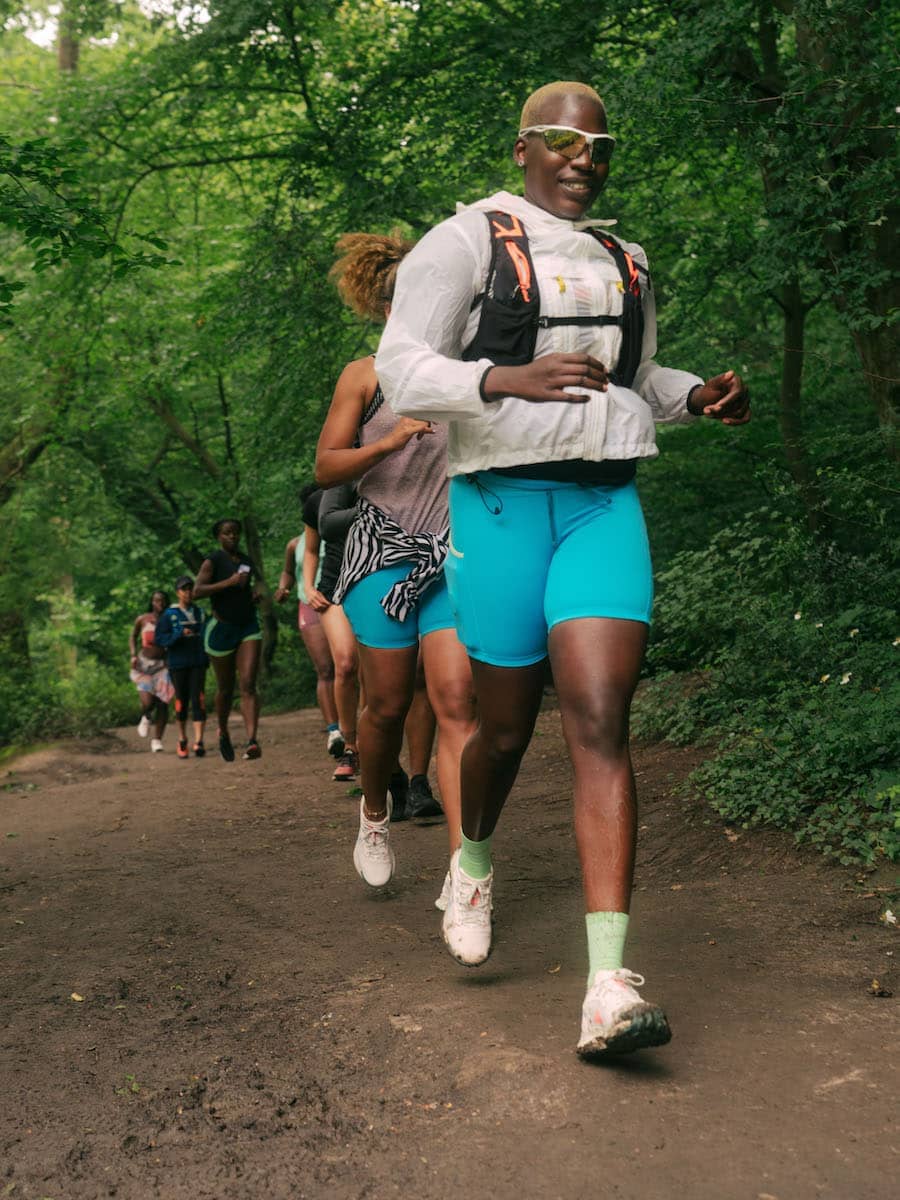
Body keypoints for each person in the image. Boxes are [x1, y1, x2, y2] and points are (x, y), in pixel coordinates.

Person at [375, 81, 750, 1058]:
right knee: (501, 733)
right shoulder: (463, 244)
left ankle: (608, 987)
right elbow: (400, 368)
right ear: (523, 147)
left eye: (597, 144)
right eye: (558, 139)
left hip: (601, 505)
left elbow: (635, 380)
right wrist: (502, 378)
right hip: (498, 506)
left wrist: (698, 394)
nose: (580, 156)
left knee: (598, 716)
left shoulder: (626, 260)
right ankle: (474, 855)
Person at [315, 231, 476, 889]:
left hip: (453, 553)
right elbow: (326, 465)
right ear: (388, 307)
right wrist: (393, 439)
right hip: (382, 551)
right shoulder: (364, 376)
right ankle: (375, 816)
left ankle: (467, 871)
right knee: (384, 704)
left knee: (456, 699)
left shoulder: (465, 368)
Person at [273, 486, 341, 759]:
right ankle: (334, 730)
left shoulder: (336, 531)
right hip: (309, 604)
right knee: (325, 668)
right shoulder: (295, 544)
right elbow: (289, 572)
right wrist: (283, 588)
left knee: (347, 667)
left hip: (339, 599)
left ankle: (355, 724)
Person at [193, 518, 263, 761]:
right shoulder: (212, 561)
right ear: (218, 537)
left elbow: (249, 587)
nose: (232, 537)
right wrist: (228, 583)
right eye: (226, 533)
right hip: (222, 629)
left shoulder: (246, 560)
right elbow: (196, 591)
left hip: (248, 627)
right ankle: (222, 731)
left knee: (248, 682)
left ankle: (252, 740)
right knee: (225, 688)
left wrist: (253, 594)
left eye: (235, 533)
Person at [154, 575, 208, 759]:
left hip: (198, 661)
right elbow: (160, 639)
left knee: (198, 699)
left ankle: (199, 741)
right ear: (177, 592)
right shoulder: (169, 615)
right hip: (178, 663)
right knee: (181, 701)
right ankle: (182, 739)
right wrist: (178, 634)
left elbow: (208, 634)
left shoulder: (201, 612)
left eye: (190, 589)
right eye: (184, 589)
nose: (188, 592)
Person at [129, 590, 173, 753]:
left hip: (164, 664)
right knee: (148, 701)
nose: (159, 604)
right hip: (144, 664)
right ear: (152, 602)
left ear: (166, 602)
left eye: (162, 601)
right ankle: (146, 715)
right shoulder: (143, 619)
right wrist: (133, 655)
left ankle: (157, 740)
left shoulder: (170, 619)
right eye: (156, 601)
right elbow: (132, 637)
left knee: (162, 702)